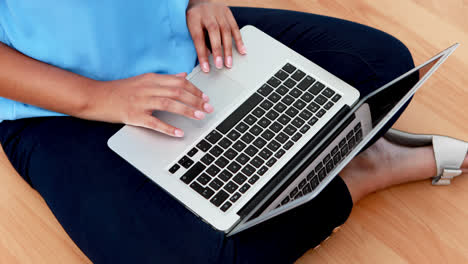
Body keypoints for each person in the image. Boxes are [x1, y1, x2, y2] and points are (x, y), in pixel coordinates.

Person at [0, 1, 467, 263]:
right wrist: (96, 98)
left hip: (178, 40)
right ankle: (362, 171)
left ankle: (313, 162)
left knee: (384, 68)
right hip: (57, 108)